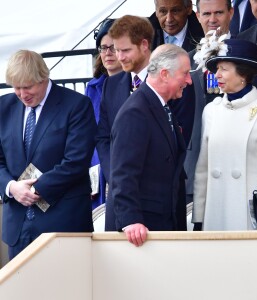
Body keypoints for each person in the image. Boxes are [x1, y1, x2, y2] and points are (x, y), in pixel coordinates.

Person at [0, 50, 97, 259]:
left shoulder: (76, 105)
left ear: (44, 78)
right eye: (16, 88)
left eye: (28, 87)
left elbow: (76, 161)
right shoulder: (3, 107)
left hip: (63, 223)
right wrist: (12, 188)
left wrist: (35, 189)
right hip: (17, 226)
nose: (22, 94)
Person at [192, 38, 257, 231]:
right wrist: (199, 217)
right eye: (216, 68)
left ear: (243, 73)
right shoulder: (211, 110)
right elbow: (203, 169)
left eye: (224, 69)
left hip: (248, 213)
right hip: (215, 212)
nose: (217, 74)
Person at [110, 44, 191, 246]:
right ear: (164, 74)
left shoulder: (160, 106)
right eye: (185, 74)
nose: (189, 81)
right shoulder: (136, 112)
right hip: (143, 230)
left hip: (164, 221)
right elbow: (123, 172)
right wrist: (131, 220)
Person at [96, 15, 153, 231]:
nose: (119, 57)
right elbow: (102, 137)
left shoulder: (165, 80)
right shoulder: (111, 85)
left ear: (144, 45)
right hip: (118, 196)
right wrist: (115, 176)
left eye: (125, 50)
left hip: (152, 196)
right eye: (115, 50)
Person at [183, 0, 234, 204]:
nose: (212, 20)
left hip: (235, 165)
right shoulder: (186, 61)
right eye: (206, 14)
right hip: (194, 167)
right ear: (197, 16)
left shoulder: (246, 54)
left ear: (231, 13)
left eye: (219, 13)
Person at [85, 18, 122, 209]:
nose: (107, 53)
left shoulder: (137, 85)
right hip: (98, 165)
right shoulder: (92, 88)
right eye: (103, 47)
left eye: (113, 47)